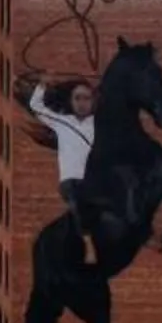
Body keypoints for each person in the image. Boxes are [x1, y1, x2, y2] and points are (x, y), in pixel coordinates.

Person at [21, 72, 103, 267]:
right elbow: (37, 108)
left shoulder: (100, 124)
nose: (82, 103)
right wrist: (42, 86)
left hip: (93, 181)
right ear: (71, 102)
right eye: (78, 98)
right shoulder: (63, 122)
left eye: (86, 98)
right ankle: (88, 244)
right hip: (71, 181)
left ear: (93, 101)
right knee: (77, 200)